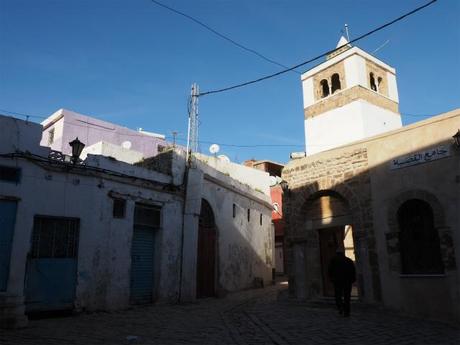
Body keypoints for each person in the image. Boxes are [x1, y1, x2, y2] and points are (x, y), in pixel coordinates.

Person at [328, 248, 356, 317]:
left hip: (337, 281)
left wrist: (331, 278)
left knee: (338, 296)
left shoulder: (333, 260)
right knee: (347, 296)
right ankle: (347, 311)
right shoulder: (349, 260)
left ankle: (340, 307)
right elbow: (353, 271)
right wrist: (353, 279)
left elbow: (330, 270)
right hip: (347, 281)